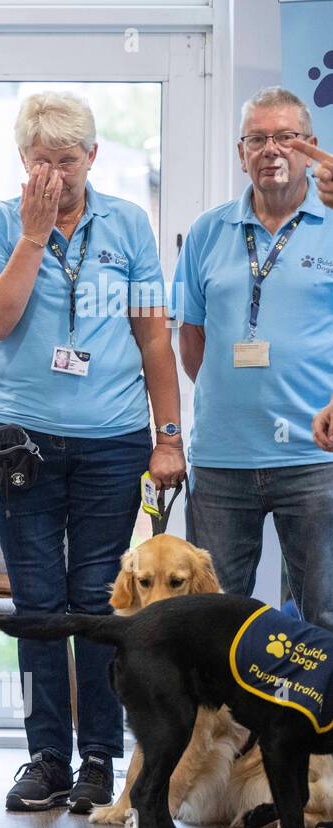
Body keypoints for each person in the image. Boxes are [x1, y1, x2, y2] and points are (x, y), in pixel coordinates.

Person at [0, 91, 184, 813]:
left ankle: (99, 756)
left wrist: (168, 436)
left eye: (67, 159)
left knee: (96, 602)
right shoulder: (1, 222)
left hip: (113, 444)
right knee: (38, 602)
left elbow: (154, 336)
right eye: (41, 160)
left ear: (92, 157)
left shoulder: (128, 224)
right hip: (22, 440)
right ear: (22, 162)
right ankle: (45, 756)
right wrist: (31, 239)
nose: (55, 174)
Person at [175, 87, 333, 630]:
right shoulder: (206, 232)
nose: (272, 150)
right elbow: (190, 337)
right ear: (241, 153)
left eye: (286, 137)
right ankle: (222, 721)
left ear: (310, 147)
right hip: (222, 458)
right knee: (212, 621)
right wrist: (232, 394)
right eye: (258, 139)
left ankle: (315, 718)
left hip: (316, 459)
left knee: (325, 617)